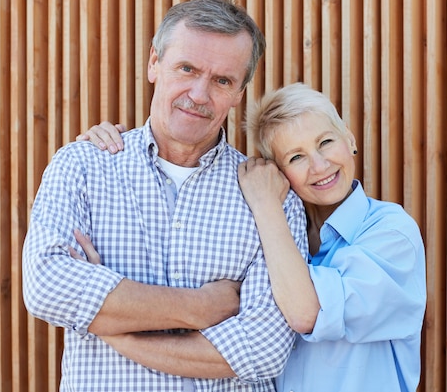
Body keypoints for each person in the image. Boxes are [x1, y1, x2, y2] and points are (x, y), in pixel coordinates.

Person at [22, 0, 309, 392]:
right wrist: (201, 308)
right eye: (186, 68)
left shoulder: (269, 196)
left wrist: (108, 323)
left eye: (222, 80)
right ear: (154, 62)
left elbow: (262, 350)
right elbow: (47, 287)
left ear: (240, 91)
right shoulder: (84, 166)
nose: (199, 94)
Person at [82, 83, 427, 391]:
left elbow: (308, 313)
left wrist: (265, 205)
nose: (319, 165)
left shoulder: (392, 233)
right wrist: (111, 146)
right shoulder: (282, 235)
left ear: (349, 139)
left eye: (325, 142)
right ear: (278, 170)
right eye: (296, 157)